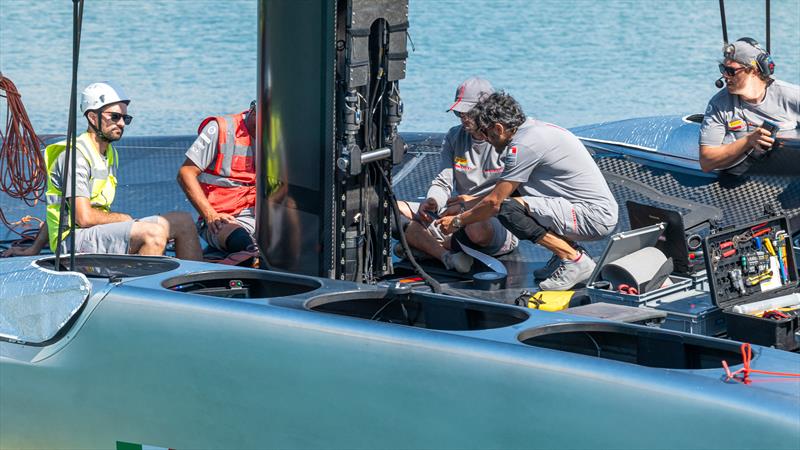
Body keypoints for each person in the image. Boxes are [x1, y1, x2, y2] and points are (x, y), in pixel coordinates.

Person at [438, 92, 618, 291]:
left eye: (486, 133)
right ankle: (565, 254)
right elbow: (508, 191)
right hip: (589, 210)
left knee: (508, 210)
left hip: (592, 217)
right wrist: (469, 201)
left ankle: (573, 259)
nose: (486, 140)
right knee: (514, 199)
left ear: (498, 128)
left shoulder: (523, 145)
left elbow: (496, 203)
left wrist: (457, 221)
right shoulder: (532, 130)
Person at [44, 82, 202, 259]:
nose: (121, 124)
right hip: (73, 241)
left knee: (184, 221)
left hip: (95, 232)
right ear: (92, 117)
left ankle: (193, 283)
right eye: (114, 117)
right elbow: (84, 218)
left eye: (125, 119)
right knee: (153, 233)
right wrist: (123, 219)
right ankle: (143, 285)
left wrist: (33, 247)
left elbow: (59, 207)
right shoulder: (75, 156)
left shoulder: (108, 153)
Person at [396, 77, 518, 273]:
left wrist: (464, 209)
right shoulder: (454, 136)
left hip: (490, 217)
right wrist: (433, 201)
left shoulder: (506, 140)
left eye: (468, 112)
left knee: (476, 228)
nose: (463, 118)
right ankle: (446, 255)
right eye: (458, 113)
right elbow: (443, 181)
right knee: (391, 209)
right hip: (456, 211)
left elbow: (508, 197)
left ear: (486, 110)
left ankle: (426, 245)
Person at [699, 37, 800, 172]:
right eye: (722, 68)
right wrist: (748, 141)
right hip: (740, 178)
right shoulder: (719, 104)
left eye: (731, 71)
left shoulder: (792, 96)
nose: (724, 76)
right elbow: (706, 162)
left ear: (754, 71)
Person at [177, 101, 258, 262]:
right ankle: (215, 268)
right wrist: (210, 215)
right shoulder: (220, 129)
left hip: (265, 217)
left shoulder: (281, 134)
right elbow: (185, 173)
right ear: (254, 111)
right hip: (224, 219)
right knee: (245, 247)